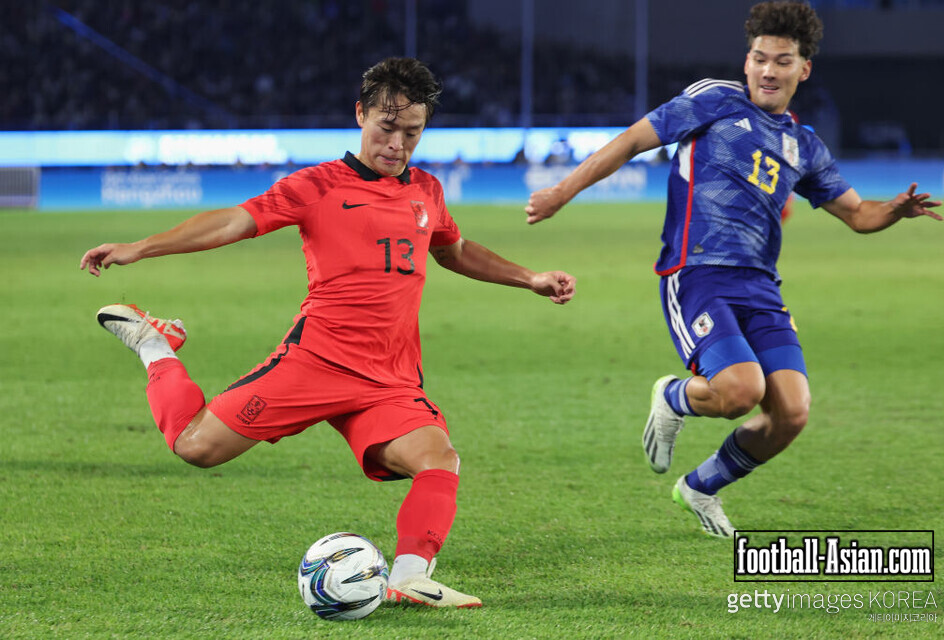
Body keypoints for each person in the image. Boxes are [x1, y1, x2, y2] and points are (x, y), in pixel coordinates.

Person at [81, 57, 576, 606]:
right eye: (387, 129)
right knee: (196, 447)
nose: (397, 145)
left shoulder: (427, 191)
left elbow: (454, 250)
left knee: (438, 459)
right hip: (314, 361)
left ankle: (410, 577)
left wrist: (528, 277)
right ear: (361, 114)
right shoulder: (316, 185)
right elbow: (233, 222)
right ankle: (156, 346)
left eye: (411, 133)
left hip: (388, 377)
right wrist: (142, 247)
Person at [524, 2, 941, 538]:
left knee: (791, 412)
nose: (769, 71)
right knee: (740, 392)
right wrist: (562, 192)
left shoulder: (804, 144)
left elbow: (858, 214)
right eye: (760, 58)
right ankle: (673, 395)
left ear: (803, 69)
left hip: (761, 286)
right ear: (747, 62)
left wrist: (894, 211)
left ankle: (700, 487)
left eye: (783, 61)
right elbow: (632, 139)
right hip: (696, 274)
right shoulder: (714, 101)